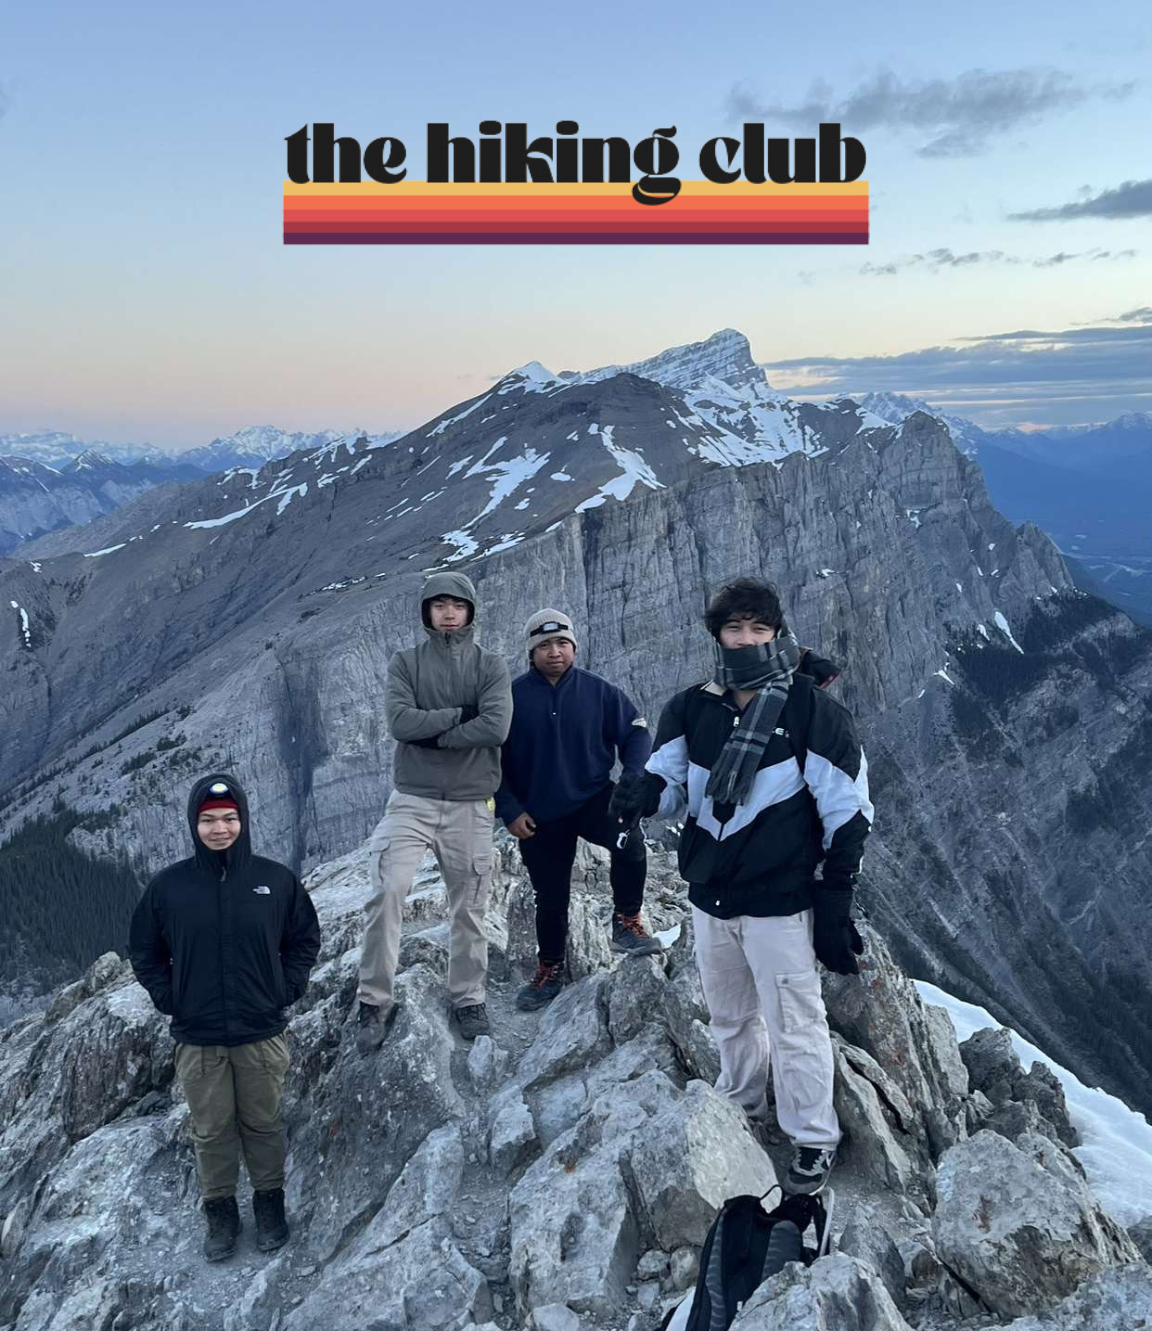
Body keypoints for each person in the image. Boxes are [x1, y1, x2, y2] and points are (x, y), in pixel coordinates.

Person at [610, 579, 872, 1195]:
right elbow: (675, 790)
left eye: (759, 628)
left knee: (795, 1023)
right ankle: (743, 1103)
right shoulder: (690, 709)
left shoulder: (811, 711)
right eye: (735, 629)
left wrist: (836, 900)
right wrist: (647, 794)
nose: (747, 639)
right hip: (709, 895)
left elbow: (849, 813)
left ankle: (812, 1137)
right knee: (729, 1018)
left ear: (777, 633)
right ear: (717, 635)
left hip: (781, 901)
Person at [129, 774, 321, 1261]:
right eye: (209, 820)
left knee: (264, 1122)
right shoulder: (168, 888)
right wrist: (168, 996)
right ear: (195, 825)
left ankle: (270, 1203)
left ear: (244, 821)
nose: (220, 829)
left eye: (229, 819)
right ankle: (220, 1212)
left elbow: (304, 939)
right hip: (198, 1036)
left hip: (261, 1031)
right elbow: (143, 950)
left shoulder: (274, 881)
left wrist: (286, 987)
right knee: (211, 1129)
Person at [357, 572, 512, 1048]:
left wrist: (433, 733)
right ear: (427, 612)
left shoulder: (491, 666)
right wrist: (459, 716)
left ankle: (468, 997)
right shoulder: (406, 664)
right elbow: (400, 722)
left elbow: (497, 727)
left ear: (470, 612)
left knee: (471, 905)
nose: (448, 612)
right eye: (438, 604)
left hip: (471, 802)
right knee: (388, 888)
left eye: (457, 605)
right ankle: (372, 1000)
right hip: (412, 799)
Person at [496, 608, 662, 1013]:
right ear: (531, 652)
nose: (555, 652)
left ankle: (626, 921)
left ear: (574, 647)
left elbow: (636, 732)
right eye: (545, 645)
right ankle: (550, 968)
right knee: (550, 896)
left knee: (630, 839)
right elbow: (489, 761)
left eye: (562, 644)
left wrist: (633, 776)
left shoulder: (599, 691)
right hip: (538, 813)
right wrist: (510, 810)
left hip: (593, 799)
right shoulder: (510, 699)